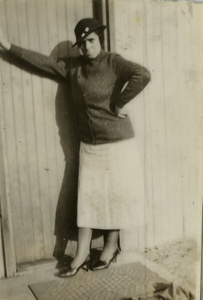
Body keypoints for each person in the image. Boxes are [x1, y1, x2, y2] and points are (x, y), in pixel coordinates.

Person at [0, 18, 151, 277]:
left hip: (118, 143)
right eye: (82, 44)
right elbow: (42, 61)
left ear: (99, 40)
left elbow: (142, 74)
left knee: (114, 196)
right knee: (89, 199)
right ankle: (81, 253)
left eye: (91, 41)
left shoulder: (113, 61)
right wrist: (6, 45)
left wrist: (119, 103)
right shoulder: (73, 69)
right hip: (90, 145)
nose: (87, 48)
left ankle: (110, 248)